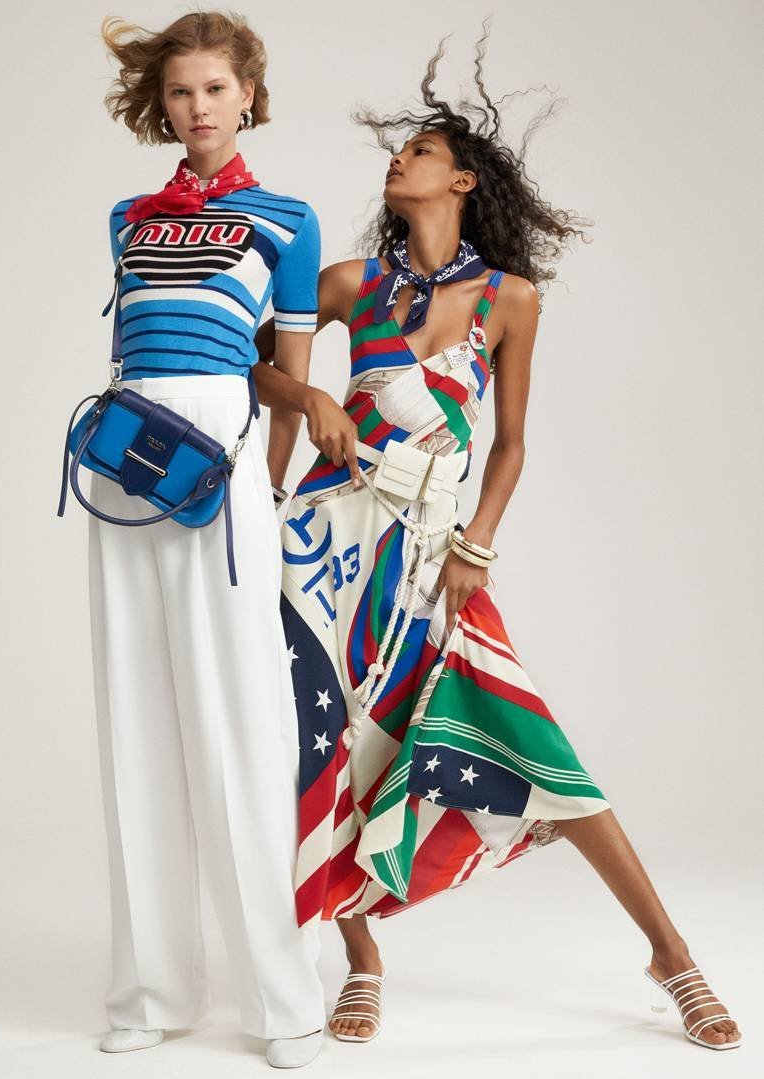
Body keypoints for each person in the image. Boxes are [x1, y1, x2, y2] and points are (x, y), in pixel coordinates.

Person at [253, 32, 741, 1053]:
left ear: (464, 180)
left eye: (421, 151)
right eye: (399, 152)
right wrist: (309, 399)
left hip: (433, 549)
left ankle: (673, 954)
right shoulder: (348, 283)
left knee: (538, 744)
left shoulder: (511, 299)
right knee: (327, 749)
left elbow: (511, 444)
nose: (399, 160)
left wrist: (476, 544)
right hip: (327, 545)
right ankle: (361, 958)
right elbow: (259, 368)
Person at [86, 12, 324, 1068]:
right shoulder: (125, 218)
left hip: (226, 459)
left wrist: (265, 487)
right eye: (180, 91)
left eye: (216, 89)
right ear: (163, 103)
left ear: (248, 95)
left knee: (241, 717)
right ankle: (152, 992)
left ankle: (284, 1001)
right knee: (135, 710)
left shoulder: (288, 220)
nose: (198, 108)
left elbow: (292, 378)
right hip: (127, 454)